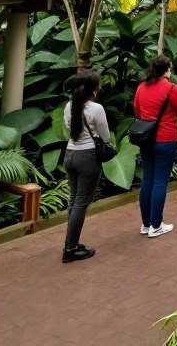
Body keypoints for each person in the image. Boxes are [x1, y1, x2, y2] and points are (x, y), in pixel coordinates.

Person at [133, 55, 177, 238]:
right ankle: (156, 225)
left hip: (146, 139)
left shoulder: (142, 87)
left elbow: (138, 111)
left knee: (147, 180)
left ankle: (146, 223)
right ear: (167, 69)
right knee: (160, 182)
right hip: (166, 138)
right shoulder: (171, 88)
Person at [61, 70, 112, 263]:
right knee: (81, 202)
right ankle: (70, 249)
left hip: (70, 154)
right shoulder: (96, 109)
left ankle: (71, 243)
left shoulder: (69, 106)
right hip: (87, 157)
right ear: (94, 88)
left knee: (74, 200)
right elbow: (105, 137)